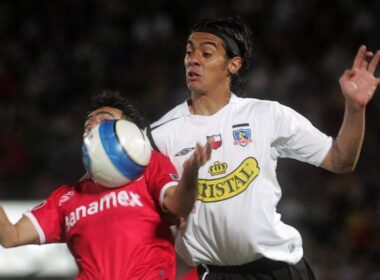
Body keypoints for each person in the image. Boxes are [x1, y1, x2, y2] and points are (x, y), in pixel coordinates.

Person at [148, 15, 380, 279]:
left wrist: (355, 107)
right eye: (189, 52)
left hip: (279, 268)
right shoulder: (160, 134)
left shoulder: (267, 115)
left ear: (233, 65)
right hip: (215, 273)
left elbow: (340, 159)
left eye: (206, 53)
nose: (193, 59)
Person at [0, 90, 212, 280]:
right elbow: (11, 236)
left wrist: (191, 172)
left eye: (104, 120)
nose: (92, 124)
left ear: (128, 130)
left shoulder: (149, 167)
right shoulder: (67, 196)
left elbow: (178, 205)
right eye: (88, 124)